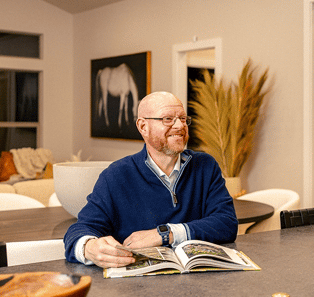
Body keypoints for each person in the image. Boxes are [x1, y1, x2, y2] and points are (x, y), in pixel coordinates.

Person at [64, 91, 238, 269]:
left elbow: (226, 223)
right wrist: (89, 247)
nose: (180, 126)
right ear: (143, 127)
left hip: (201, 282)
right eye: (168, 119)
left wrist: (166, 233)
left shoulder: (206, 166)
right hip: (138, 289)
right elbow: (80, 230)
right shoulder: (115, 176)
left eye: (183, 119)